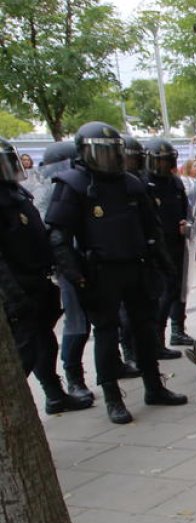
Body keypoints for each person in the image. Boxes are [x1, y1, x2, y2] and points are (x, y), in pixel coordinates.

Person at [44, 122, 188, 424]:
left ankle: (154, 386)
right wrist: (76, 276)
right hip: (100, 272)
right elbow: (58, 236)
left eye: (113, 152)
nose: (109, 159)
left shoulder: (132, 184)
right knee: (107, 335)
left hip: (136, 267)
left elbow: (153, 229)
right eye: (102, 152)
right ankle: (112, 396)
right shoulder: (74, 184)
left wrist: (164, 265)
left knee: (145, 329)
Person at [0, 137, 91, 414]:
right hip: (19, 286)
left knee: (44, 343)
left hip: (37, 281)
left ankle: (54, 394)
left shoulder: (15, 192)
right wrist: (14, 295)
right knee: (25, 353)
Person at [143, 139, 196, 350]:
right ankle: (158, 337)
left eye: (168, 161)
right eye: (161, 161)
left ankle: (178, 330)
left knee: (178, 289)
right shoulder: (145, 184)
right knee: (164, 292)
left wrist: (186, 222)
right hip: (158, 246)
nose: (165, 165)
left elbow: (185, 208)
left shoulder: (175, 182)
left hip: (177, 242)